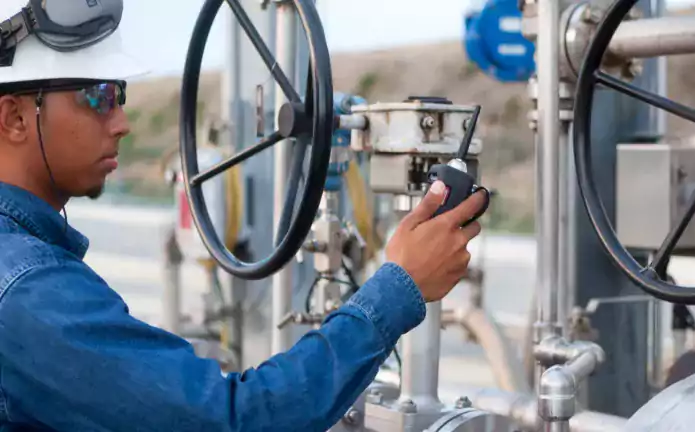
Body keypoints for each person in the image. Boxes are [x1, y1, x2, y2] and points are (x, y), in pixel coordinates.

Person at [0, 1, 488, 431]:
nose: (123, 123)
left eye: (120, 96)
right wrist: (398, 287)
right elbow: (236, 420)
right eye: (99, 96)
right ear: (15, 117)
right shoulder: (29, 290)